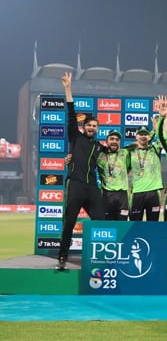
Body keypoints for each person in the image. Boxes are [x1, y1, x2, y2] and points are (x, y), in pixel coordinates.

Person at [57, 71, 106, 270]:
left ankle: (100, 256)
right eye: (89, 125)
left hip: (92, 187)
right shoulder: (75, 137)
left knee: (101, 222)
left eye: (95, 126)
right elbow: (71, 113)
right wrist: (68, 88)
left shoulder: (99, 146)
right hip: (76, 184)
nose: (92, 128)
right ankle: (62, 257)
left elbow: (117, 149)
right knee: (69, 222)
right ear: (84, 127)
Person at [126, 126, 163, 221]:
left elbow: (163, 137)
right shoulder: (130, 151)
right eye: (141, 134)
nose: (143, 136)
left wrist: (158, 127)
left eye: (145, 134)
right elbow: (124, 171)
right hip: (137, 192)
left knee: (153, 224)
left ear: (149, 137)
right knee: (134, 224)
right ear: (136, 136)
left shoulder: (155, 148)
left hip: (154, 192)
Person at [96, 130, 130, 220]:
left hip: (122, 195)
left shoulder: (125, 153)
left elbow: (139, 145)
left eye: (117, 139)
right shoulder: (99, 155)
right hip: (107, 194)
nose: (114, 141)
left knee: (122, 224)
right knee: (107, 224)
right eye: (112, 139)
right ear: (106, 141)